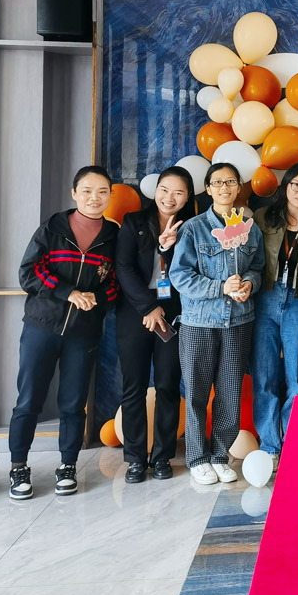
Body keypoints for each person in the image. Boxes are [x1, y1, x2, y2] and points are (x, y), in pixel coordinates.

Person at [8, 166, 119, 500]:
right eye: (87, 190)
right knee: (28, 400)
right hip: (41, 326)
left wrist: (96, 299)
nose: (94, 198)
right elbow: (28, 272)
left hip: (84, 332)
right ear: (74, 193)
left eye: (102, 191)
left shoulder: (113, 236)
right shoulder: (53, 227)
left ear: (110, 195)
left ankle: (68, 465)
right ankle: (18, 467)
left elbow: (117, 284)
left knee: (73, 403)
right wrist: (68, 292)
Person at [171, 162, 264, 486]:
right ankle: (197, 458)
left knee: (229, 392)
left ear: (239, 187)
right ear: (208, 189)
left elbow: (258, 268)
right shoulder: (193, 229)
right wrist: (220, 287)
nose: (225, 187)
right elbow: (180, 275)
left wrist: (248, 284)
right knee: (197, 392)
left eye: (231, 182)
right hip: (200, 322)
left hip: (239, 321)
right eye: (218, 182)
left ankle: (219, 455)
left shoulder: (250, 228)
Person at [114, 166, 194, 484]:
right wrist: (149, 308)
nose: (169, 197)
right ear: (155, 190)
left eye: (178, 192)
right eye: (164, 189)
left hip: (172, 315)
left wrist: (166, 248)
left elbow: (187, 270)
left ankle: (162, 456)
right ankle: (135, 458)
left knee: (168, 385)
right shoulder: (133, 222)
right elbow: (123, 267)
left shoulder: (191, 228)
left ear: (187, 197)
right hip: (136, 313)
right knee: (133, 387)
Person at [251, 161, 298, 465]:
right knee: (264, 376)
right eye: (296, 184)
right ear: (286, 185)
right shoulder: (263, 217)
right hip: (266, 298)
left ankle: (294, 444)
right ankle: (270, 446)